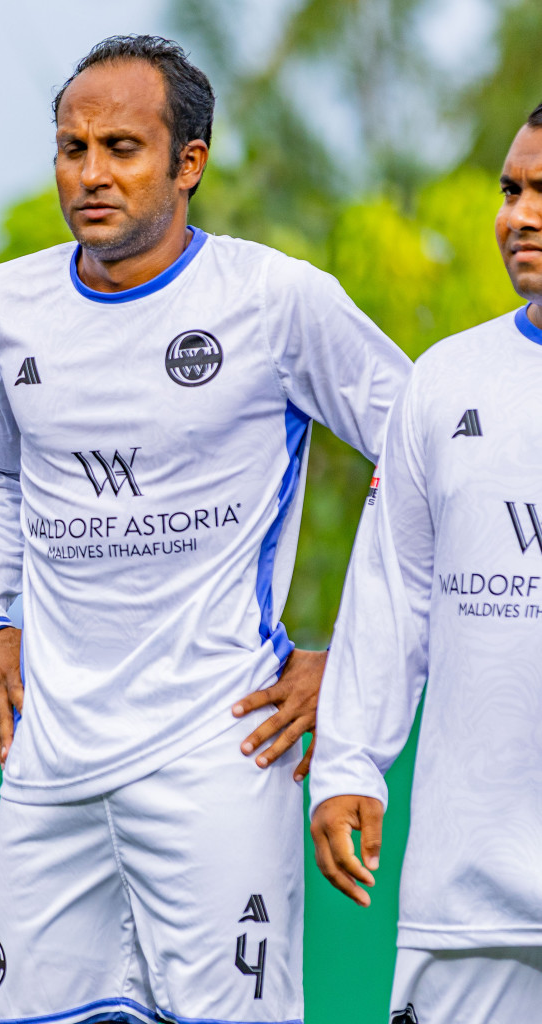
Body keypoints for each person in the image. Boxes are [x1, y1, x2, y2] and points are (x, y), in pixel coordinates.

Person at [0, 35, 412, 1023]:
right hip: (46, 758)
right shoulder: (8, 303)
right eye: (71, 149)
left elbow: (423, 458)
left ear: (187, 164)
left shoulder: (273, 299)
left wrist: (345, 656)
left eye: (120, 147)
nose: (89, 175)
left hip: (217, 748)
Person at [310, 102, 542, 1024]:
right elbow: (390, 598)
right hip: (466, 901)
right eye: (511, 190)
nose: (518, 216)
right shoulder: (443, 382)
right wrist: (348, 766)